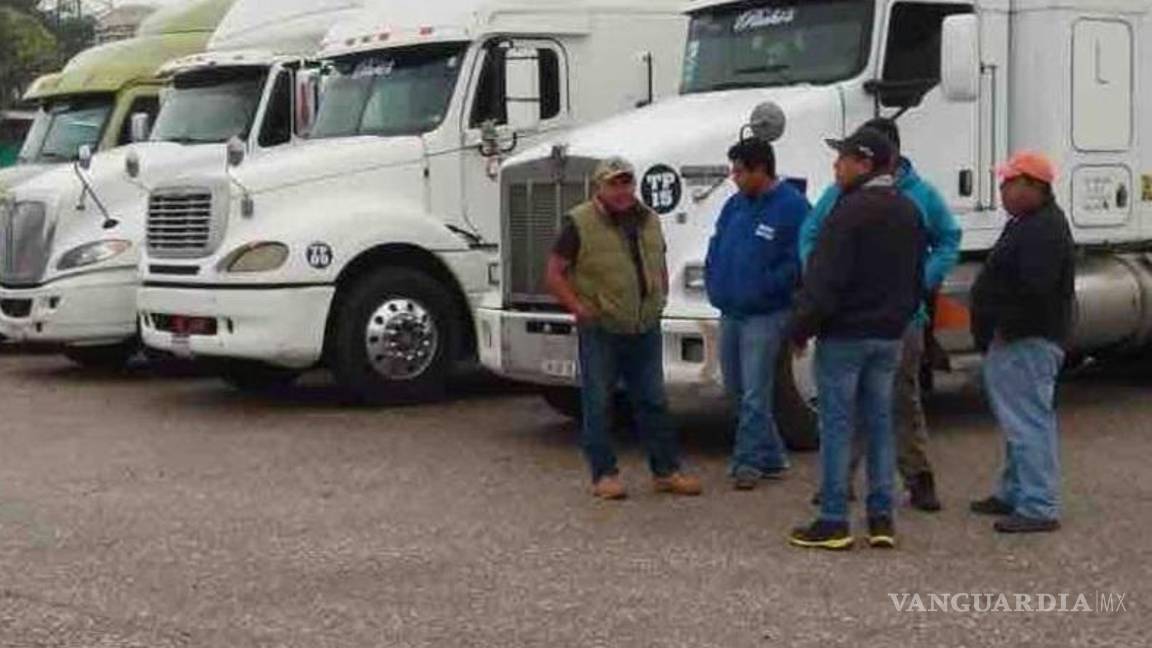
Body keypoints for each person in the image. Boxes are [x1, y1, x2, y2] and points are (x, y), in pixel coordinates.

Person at [800, 118, 962, 512]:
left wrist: (920, 281)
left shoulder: (921, 196)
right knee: (847, 404)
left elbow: (948, 238)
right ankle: (843, 485)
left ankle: (918, 477)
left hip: (903, 318)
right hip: (849, 315)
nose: (838, 164)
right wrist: (819, 272)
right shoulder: (837, 195)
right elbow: (810, 234)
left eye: (847, 154)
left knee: (901, 400)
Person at [787, 128, 925, 550]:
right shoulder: (908, 210)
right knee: (880, 423)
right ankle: (881, 518)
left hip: (845, 335)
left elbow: (825, 279)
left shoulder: (847, 212)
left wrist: (801, 327)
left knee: (838, 428)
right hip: (888, 335)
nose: (836, 166)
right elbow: (916, 278)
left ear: (864, 163)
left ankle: (833, 519)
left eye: (842, 158)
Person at [546, 156, 703, 500]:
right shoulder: (578, 223)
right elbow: (555, 273)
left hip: (644, 324)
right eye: (613, 183)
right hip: (602, 327)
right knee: (598, 402)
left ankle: (666, 471)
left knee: (654, 401)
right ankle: (604, 475)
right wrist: (578, 308)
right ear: (598, 188)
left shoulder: (649, 219)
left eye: (626, 182)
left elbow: (658, 259)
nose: (621, 190)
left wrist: (659, 294)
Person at [970, 151, 1074, 534]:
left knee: (1028, 421)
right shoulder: (1028, 223)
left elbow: (1035, 289)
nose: (1002, 191)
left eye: (1009, 183)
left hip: (1027, 339)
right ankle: (1014, 490)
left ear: (1034, 186)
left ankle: (1038, 504)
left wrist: (1004, 325)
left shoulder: (1042, 230)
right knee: (1019, 420)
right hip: (1019, 337)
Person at [705, 138, 809, 490]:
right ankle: (773, 456)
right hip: (731, 310)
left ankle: (746, 462)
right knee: (735, 388)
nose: (733, 178)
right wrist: (713, 279)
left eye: (739, 171)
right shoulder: (734, 206)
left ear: (761, 169)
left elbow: (801, 260)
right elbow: (716, 244)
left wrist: (770, 285)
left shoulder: (792, 208)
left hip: (766, 314)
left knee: (755, 392)